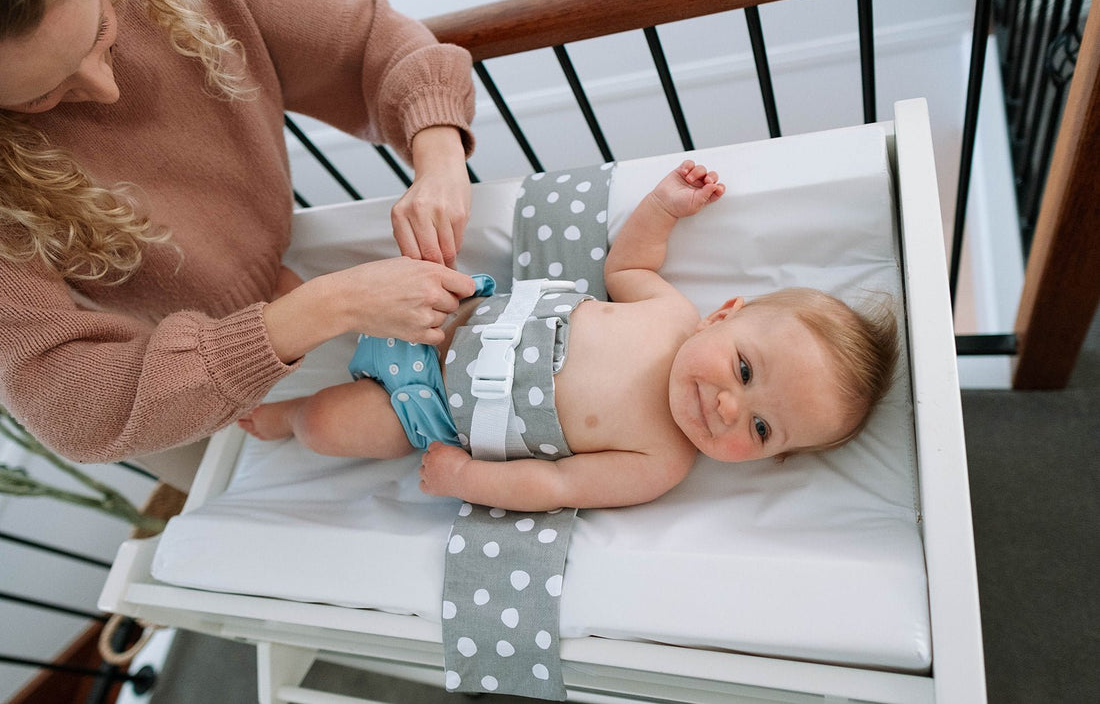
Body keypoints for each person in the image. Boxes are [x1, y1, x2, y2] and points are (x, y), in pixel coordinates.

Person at [0, 0, 480, 489]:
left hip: (270, 298)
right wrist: (326, 306)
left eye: (101, 32)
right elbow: (66, 403)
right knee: (256, 468)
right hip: (156, 388)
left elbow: (372, 41)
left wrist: (439, 158)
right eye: (39, 97)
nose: (107, 89)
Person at [239, 161, 900, 511]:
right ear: (723, 315)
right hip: (450, 315)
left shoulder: (658, 465)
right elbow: (629, 262)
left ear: (767, 460)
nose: (729, 407)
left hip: (428, 410)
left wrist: (467, 477)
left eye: (759, 430)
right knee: (385, 284)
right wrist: (664, 207)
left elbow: (554, 488)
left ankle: (287, 417)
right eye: (746, 372)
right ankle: (307, 307)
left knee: (335, 425)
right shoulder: (666, 311)